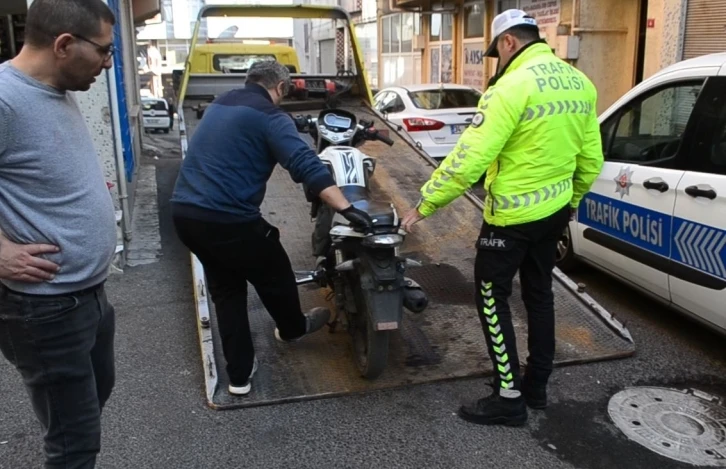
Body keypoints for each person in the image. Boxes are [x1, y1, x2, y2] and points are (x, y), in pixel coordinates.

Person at [402, 9, 604, 426]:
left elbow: (468, 158)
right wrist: (571, 202)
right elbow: (591, 158)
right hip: (552, 214)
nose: (498, 60)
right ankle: (537, 388)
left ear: (508, 42)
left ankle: (508, 396)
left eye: (497, 52)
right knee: (540, 295)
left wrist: (425, 205)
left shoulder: (510, 88)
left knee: (493, 300)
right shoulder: (580, 83)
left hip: (510, 220)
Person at [171, 60, 374, 396]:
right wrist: (347, 208)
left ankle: (239, 377)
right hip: (228, 219)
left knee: (227, 289)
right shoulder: (271, 117)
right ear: (280, 88)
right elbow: (305, 162)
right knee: (274, 271)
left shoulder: (221, 104)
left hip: (186, 215)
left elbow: (243, 132)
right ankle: (293, 329)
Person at [0, 0, 119, 467]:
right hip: (45, 307)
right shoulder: (5, 99)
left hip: (87, 294)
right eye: (105, 52)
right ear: (64, 45)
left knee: (88, 406)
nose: (108, 65)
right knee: (74, 445)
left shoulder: (54, 88)